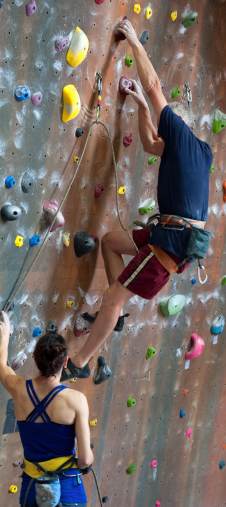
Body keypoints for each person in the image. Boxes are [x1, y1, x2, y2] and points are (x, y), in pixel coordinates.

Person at [61, 19, 213, 382]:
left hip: (171, 245)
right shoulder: (200, 151)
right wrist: (143, 107)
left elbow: (155, 84)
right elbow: (149, 144)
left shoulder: (177, 129)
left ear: (174, 126)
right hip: (170, 237)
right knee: (111, 243)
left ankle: (80, 361)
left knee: (114, 296)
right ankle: (116, 312)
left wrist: (133, 42)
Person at [0, 311, 93, 507]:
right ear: (65, 362)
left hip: (32, 488)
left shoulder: (19, 390)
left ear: (35, 359)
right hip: (68, 490)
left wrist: (4, 337)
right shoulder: (76, 401)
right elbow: (84, 460)